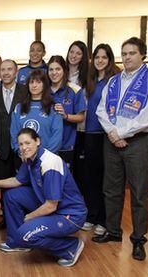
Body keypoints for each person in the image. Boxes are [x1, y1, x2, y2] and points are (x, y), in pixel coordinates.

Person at [0, 128, 87, 267]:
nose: (24, 147)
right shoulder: (30, 158)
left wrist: (30, 216)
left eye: (27, 143)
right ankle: (18, 242)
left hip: (70, 214)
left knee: (25, 234)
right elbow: (18, 181)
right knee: (11, 195)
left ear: (37, 141)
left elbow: (51, 205)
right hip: (48, 203)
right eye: (21, 144)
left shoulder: (49, 164)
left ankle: (70, 247)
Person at [94, 37, 148, 261]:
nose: (127, 57)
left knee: (138, 192)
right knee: (111, 189)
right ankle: (113, 231)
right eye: (124, 53)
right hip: (112, 141)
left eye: (132, 53)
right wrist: (112, 132)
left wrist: (122, 133)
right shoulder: (114, 81)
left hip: (138, 141)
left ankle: (138, 240)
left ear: (142, 55)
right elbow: (101, 109)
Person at [82, 44, 120, 235]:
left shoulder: (115, 80)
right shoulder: (91, 80)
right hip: (90, 134)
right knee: (91, 179)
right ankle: (92, 215)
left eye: (104, 57)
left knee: (107, 180)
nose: (100, 60)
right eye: (97, 57)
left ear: (110, 59)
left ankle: (104, 220)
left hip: (106, 135)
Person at [0, 59, 27, 228]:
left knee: (22, 183)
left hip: (23, 147)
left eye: (9, 69)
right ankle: (6, 217)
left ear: (16, 71)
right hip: (1, 147)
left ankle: (24, 217)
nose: (5, 73)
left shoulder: (26, 92)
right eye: (3, 69)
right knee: (4, 184)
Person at [10, 69, 63, 155]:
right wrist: (21, 152)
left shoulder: (54, 108)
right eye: (31, 82)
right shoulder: (19, 108)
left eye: (38, 82)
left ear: (44, 85)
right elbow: (14, 133)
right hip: (24, 158)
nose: (34, 85)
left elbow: (57, 136)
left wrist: (44, 156)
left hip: (47, 158)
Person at [48, 55, 86, 169]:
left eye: (58, 69)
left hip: (66, 144)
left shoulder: (75, 89)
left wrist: (66, 116)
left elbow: (81, 117)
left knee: (65, 179)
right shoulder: (43, 89)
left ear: (64, 71)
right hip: (46, 144)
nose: (54, 73)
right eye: (51, 69)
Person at [66, 41, 89, 194]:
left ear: (83, 57)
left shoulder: (86, 76)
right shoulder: (59, 71)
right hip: (63, 127)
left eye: (78, 53)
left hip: (80, 127)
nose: (74, 56)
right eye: (72, 52)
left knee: (78, 169)